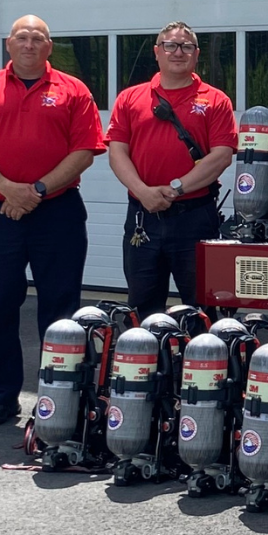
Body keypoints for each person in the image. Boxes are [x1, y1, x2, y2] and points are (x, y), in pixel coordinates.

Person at [0, 15, 106, 426]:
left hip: (58, 211)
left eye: (38, 38)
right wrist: (8, 189)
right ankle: (1, 397)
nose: (30, 44)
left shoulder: (74, 91)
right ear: (9, 43)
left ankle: (61, 398)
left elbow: (85, 151)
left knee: (60, 310)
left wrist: (34, 191)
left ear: (49, 47)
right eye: (23, 37)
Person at [107, 21, 236, 319]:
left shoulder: (216, 100)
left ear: (196, 54)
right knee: (142, 309)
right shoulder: (130, 98)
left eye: (186, 46)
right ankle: (147, 351)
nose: (178, 52)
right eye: (170, 45)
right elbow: (117, 152)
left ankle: (201, 350)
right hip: (142, 217)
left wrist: (176, 189)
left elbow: (221, 156)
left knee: (202, 309)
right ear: (157, 52)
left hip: (195, 218)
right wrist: (143, 192)